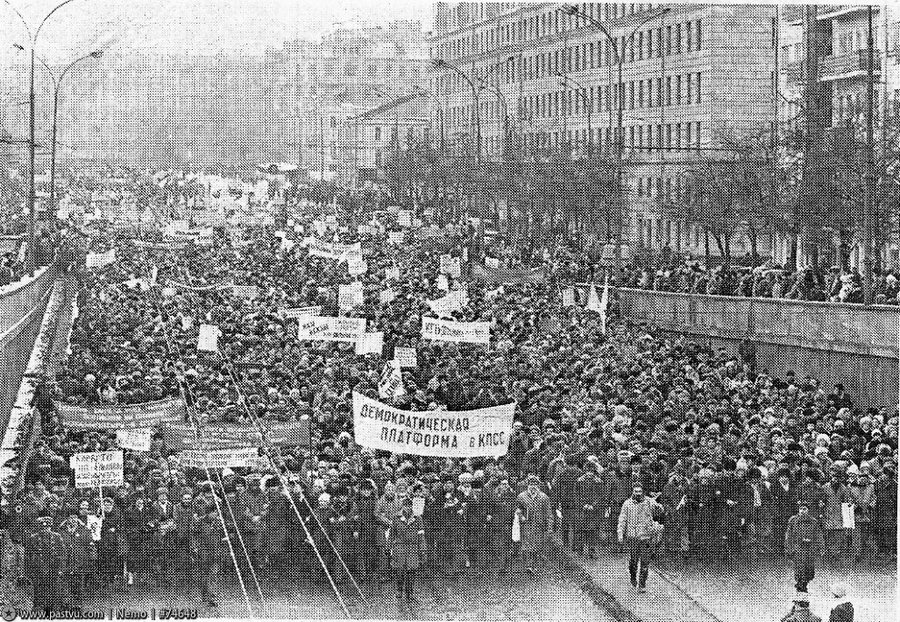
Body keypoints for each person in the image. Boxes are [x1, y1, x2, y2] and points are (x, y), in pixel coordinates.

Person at [617, 483, 664, 593]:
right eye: (635, 491)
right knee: (633, 561)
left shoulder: (648, 502)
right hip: (633, 537)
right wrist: (620, 533)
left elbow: (659, 511)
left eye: (639, 491)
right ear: (632, 492)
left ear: (643, 492)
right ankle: (633, 575)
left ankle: (642, 584)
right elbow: (622, 519)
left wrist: (658, 506)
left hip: (646, 536)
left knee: (645, 562)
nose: (638, 494)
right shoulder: (627, 504)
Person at [24, 515, 65, 614]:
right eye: (43, 528)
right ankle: (38, 610)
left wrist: (61, 569)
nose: (45, 530)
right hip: (38, 569)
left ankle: (52, 611)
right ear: (39, 528)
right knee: (39, 592)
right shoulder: (33, 538)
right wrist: (28, 572)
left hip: (53, 568)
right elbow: (27, 556)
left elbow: (63, 554)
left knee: (54, 591)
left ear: (50, 527)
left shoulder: (57, 537)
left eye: (47, 528)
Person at [389, 497, 426, 604]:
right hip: (399, 547)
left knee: (411, 570)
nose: (407, 508)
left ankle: (409, 592)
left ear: (412, 506)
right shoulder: (396, 517)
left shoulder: (418, 518)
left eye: (409, 506)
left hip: (413, 547)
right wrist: (388, 547)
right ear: (402, 506)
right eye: (405, 506)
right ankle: (399, 589)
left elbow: (421, 535)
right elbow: (392, 534)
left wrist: (422, 548)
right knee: (399, 570)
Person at [785, 500, 824, 593]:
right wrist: (789, 549)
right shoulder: (793, 521)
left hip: (810, 549)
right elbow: (788, 535)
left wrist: (821, 547)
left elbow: (818, 535)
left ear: (808, 510)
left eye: (805, 509)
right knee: (799, 570)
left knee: (809, 571)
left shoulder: (813, 522)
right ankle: (800, 587)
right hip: (797, 548)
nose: (802, 511)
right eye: (801, 509)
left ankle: (803, 584)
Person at [516, 475, 552, 574]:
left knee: (537, 547)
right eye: (531, 484)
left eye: (535, 484)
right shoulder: (521, 497)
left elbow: (549, 514)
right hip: (526, 526)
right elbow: (518, 510)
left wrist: (549, 528)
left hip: (539, 526)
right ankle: (528, 565)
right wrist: (521, 516)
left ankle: (534, 565)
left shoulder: (544, 497)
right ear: (527, 485)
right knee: (527, 546)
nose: (533, 486)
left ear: (538, 486)